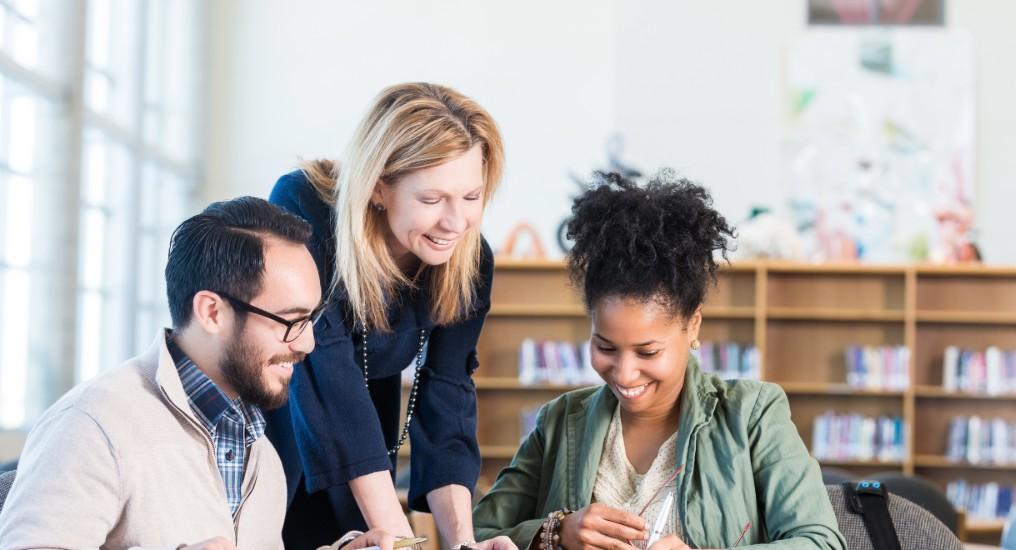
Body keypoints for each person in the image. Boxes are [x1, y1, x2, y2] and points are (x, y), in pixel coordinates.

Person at [473, 172, 847, 550]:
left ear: (693, 325)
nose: (624, 372)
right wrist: (555, 532)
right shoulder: (559, 422)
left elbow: (821, 542)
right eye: (605, 347)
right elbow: (475, 536)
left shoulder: (752, 416)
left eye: (647, 352)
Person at [266, 82, 515, 550]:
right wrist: (402, 540)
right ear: (379, 187)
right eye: (432, 199)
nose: (456, 222)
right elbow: (326, 373)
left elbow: (447, 396)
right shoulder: (305, 208)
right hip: (278, 419)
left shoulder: (469, 259)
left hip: (366, 431)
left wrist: (463, 541)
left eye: (471, 196)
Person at [0, 197, 323, 549]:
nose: (307, 343)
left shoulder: (263, 456)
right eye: (291, 321)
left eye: (311, 319)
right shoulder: (92, 424)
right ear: (212, 312)